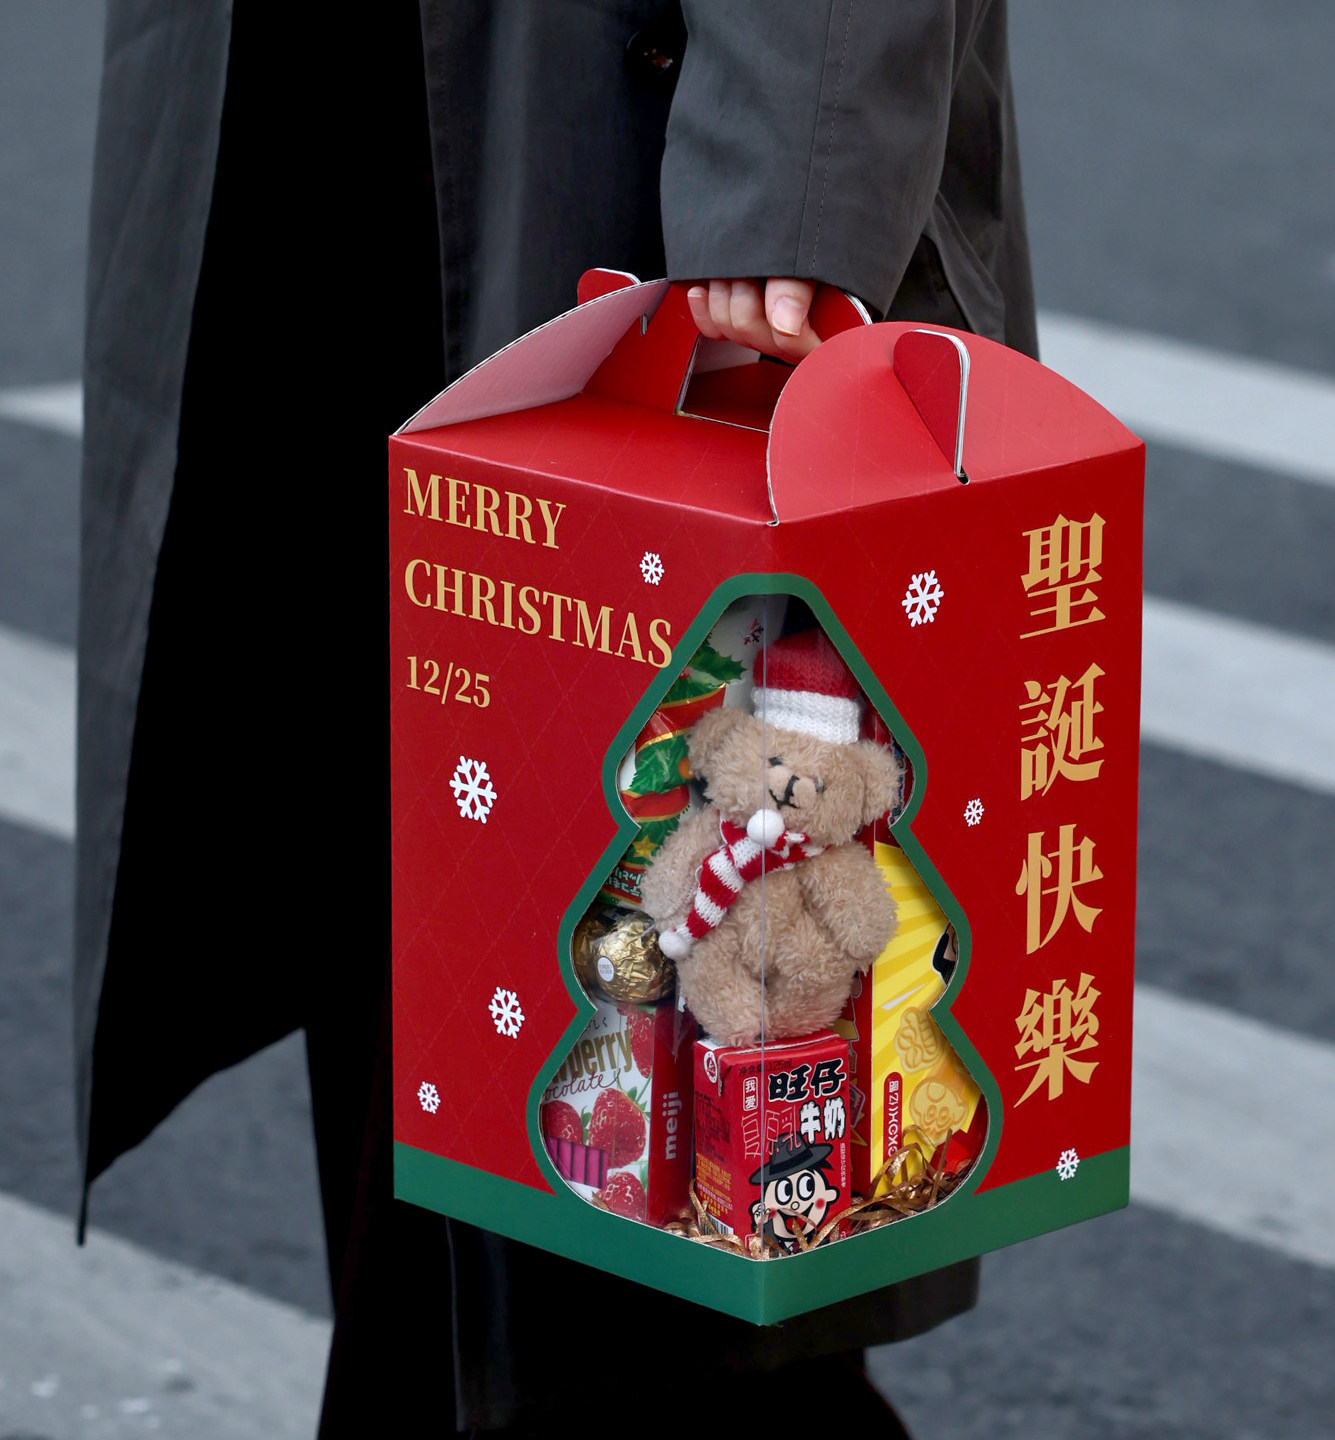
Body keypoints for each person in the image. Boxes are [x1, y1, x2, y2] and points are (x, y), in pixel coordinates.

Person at [75, 3, 1036, 1434]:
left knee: (637, 1238)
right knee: (424, 950)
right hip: (339, 151)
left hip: (621, 144)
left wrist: (791, 173)